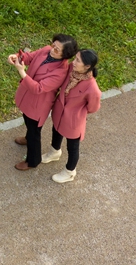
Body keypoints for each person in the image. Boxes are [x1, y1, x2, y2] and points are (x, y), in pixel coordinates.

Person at [8, 34, 76, 171]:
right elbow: (30, 57)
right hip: (27, 98)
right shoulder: (46, 50)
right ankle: (27, 139)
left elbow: (38, 88)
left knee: (34, 132)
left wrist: (21, 72)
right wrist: (17, 57)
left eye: (57, 50)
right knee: (28, 122)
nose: (52, 50)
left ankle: (33, 161)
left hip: (37, 106)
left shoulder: (60, 72)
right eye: (53, 45)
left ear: (65, 55)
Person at [44, 49, 102, 183]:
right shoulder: (72, 69)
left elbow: (93, 107)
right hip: (60, 111)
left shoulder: (92, 88)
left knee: (73, 147)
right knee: (56, 131)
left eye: (77, 60)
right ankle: (54, 152)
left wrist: (76, 111)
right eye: (75, 58)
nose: (73, 62)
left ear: (87, 67)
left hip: (74, 120)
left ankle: (70, 172)